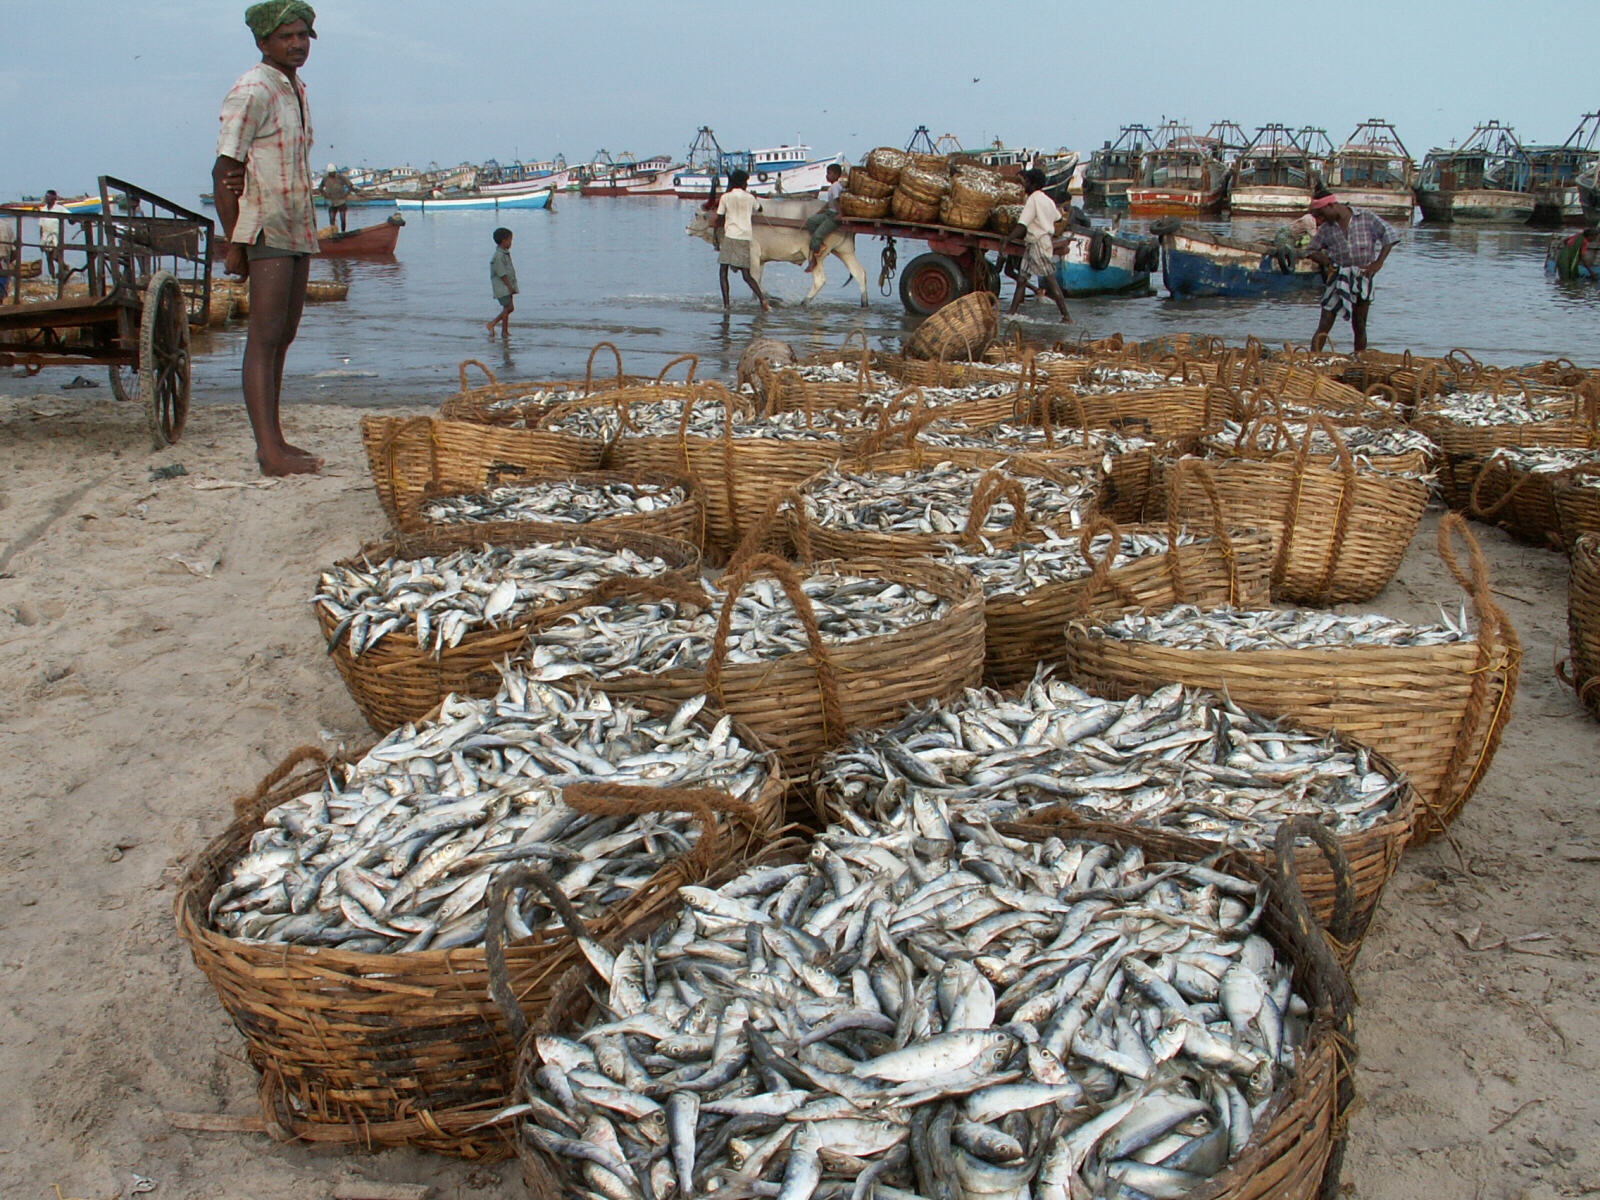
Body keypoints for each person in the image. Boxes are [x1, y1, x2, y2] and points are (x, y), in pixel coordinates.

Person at [212, 1, 323, 476]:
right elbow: (224, 171)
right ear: (263, 42)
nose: (297, 44)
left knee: (284, 336)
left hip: (297, 223)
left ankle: (275, 440)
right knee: (263, 337)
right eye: (286, 37)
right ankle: (268, 451)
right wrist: (235, 243)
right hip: (266, 226)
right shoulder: (252, 90)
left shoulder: (295, 88)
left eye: (303, 36)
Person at [1304, 188, 1400, 353]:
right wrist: (1328, 262)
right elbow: (1311, 250)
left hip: (1363, 275)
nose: (1320, 219)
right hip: (1339, 275)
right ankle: (1314, 359)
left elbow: (1390, 235)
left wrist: (1378, 263)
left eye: (1321, 214)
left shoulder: (1365, 217)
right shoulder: (1327, 228)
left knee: (1359, 323)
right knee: (1325, 321)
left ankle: (1359, 359)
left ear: (1331, 206)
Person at [1005, 168, 1071, 322]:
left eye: (1027, 182)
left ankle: (1066, 316)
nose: (1025, 185)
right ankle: (1011, 314)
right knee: (1022, 279)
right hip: (1035, 242)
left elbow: (1022, 225)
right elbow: (1058, 217)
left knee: (1050, 279)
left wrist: (1007, 240)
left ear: (1033, 184)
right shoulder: (1047, 199)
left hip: (1039, 243)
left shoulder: (1033, 199)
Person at [713, 169, 769, 312]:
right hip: (745, 237)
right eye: (746, 182)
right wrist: (755, 198)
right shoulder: (750, 198)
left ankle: (726, 305)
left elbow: (719, 218)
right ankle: (762, 300)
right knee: (746, 275)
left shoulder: (726, 197)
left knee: (723, 272)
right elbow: (760, 209)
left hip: (730, 236)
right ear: (743, 183)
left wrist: (715, 236)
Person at [802, 162, 844, 273]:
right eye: (827, 173)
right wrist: (821, 211)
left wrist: (840, 214)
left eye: (829, 174)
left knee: (816, 236)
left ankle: (814, 260)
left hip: (834, 216)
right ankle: (820, 244)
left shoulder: (835, 187)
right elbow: (830, 202)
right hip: (829, 213)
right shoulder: (832, 187)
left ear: (836, 175)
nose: (827, 176)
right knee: (811, 221)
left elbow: (837, 201)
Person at [486, 226, 517, 337]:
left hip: (507, 286)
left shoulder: (504, 254)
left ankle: (504, 330)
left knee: (508, 308)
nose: (510, 243)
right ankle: (494, 325)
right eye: (510, 240)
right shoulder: (499, 256)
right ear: (504, 241)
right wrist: (509, 286)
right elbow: (502, 273)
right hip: (503, 287)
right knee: (508, 308)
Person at [38, 190, 68, 281]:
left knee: (56, 256)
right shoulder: (43, 209)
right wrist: (41, 241)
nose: (47, 199)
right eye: (46, 197)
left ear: (54, 198)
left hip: (56, 237)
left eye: (49, 197)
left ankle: (65, 268)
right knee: (49, 258)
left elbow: (70, 216)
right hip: (46, 237)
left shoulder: (60, 209)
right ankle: (53, 277)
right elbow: (41, 226)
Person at [318, 165, 351, 232]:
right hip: (332, 202)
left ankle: (343, 232)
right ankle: (334, 233)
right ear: (328, 173)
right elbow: (320, 188)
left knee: (343, 219)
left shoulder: (341, 178)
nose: (332, 174)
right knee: (332, 219)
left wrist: (346, 194)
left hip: (341, 201)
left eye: (333, 172)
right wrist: (325, 195)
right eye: (331, 173)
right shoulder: (325, 179)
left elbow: (350, 185)